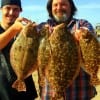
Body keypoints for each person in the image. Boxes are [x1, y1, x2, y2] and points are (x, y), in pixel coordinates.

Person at [38, 0, 97, 100]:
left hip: (80, 93)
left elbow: (89, 33)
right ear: (50, 8)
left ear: (71, 7)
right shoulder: (43, 27)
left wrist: (83, 34)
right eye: (55, 5)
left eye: (63, 4)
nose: (59, 8)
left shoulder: (82, 24)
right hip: (50, 93)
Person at [0, 0, 38, 100]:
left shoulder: (25, 32)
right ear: (1, 9)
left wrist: (36, 33)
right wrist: (14, 29)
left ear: (20, 11)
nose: (11, 13)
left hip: (26, 93)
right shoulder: (16, 29)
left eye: (15, 9)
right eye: (7, 8)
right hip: (3, 92)